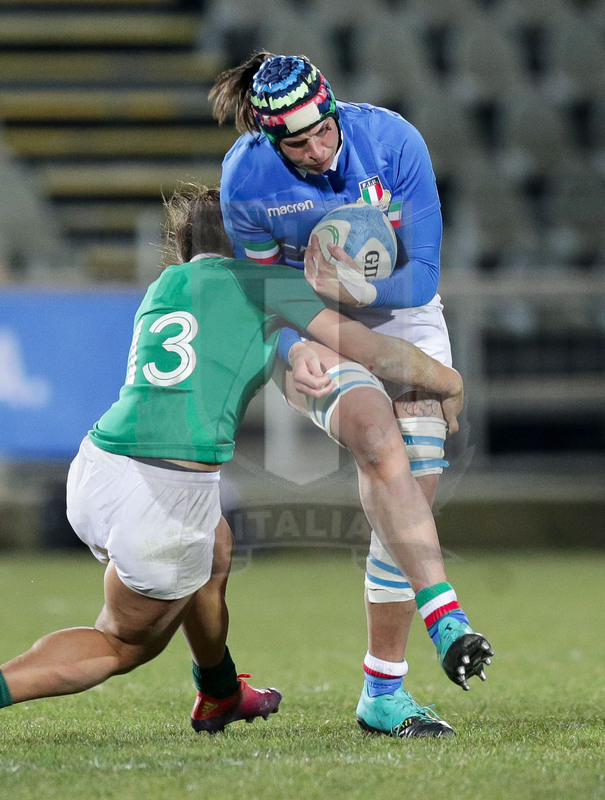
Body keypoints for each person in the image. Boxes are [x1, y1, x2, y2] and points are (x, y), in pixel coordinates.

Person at [0, 184, 472, 738]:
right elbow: (373, 351)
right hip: (166, 492)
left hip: (98, 467)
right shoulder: (266, 282)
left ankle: (220, 692)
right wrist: (447, 379)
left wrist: (293, 353)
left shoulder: (167, 285)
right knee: (125, 642)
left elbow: (228, 341)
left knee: (216, 543)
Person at [209, 52, 494, 738]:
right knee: (372, 430)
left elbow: (421, 276)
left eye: (324, 132)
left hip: (394, 310)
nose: (316, 149)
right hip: (303, 324)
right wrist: (294, 345)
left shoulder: (393, 141)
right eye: (297, 143)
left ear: (335, 109)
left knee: (416, 471)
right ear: (267, 136)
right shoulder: (245, 177)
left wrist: (345, 286)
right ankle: (442, 614)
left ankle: (380, 694)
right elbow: (262, 294)